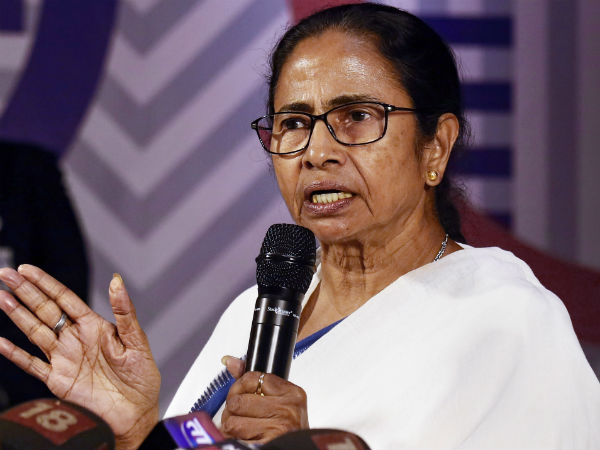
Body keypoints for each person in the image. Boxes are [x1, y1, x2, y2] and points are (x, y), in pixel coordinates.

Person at [0, 3, 599, 448]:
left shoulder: (506, 319)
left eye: (356, 116)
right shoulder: (257, 310)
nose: (316, 152)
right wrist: (138, 433)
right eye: (293, 123)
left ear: (435, 146)